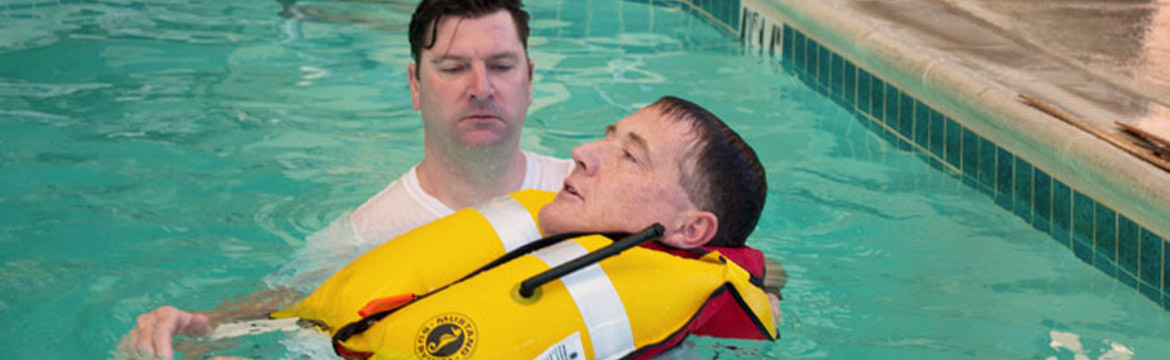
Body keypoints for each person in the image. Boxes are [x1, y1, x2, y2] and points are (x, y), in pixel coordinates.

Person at [124, 1, 572, 358]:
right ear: (415, 86)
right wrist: (191, 327)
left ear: (530, 80)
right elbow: (275, 310)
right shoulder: (364, 236)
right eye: (453, 68)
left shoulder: (590, 187)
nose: (481, 87)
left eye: (501, 66)